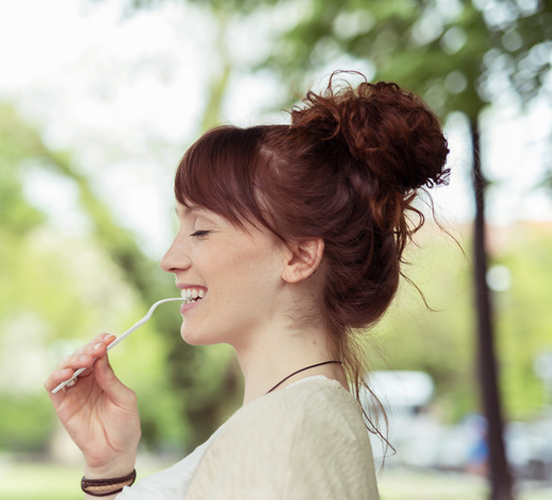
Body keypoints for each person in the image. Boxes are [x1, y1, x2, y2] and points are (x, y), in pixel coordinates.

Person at [44, 73, 450, 499]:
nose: (169, 259)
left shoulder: (279, 435)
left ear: (298, 256)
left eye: (200, 230)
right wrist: (109, 472)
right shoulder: (294, 422)